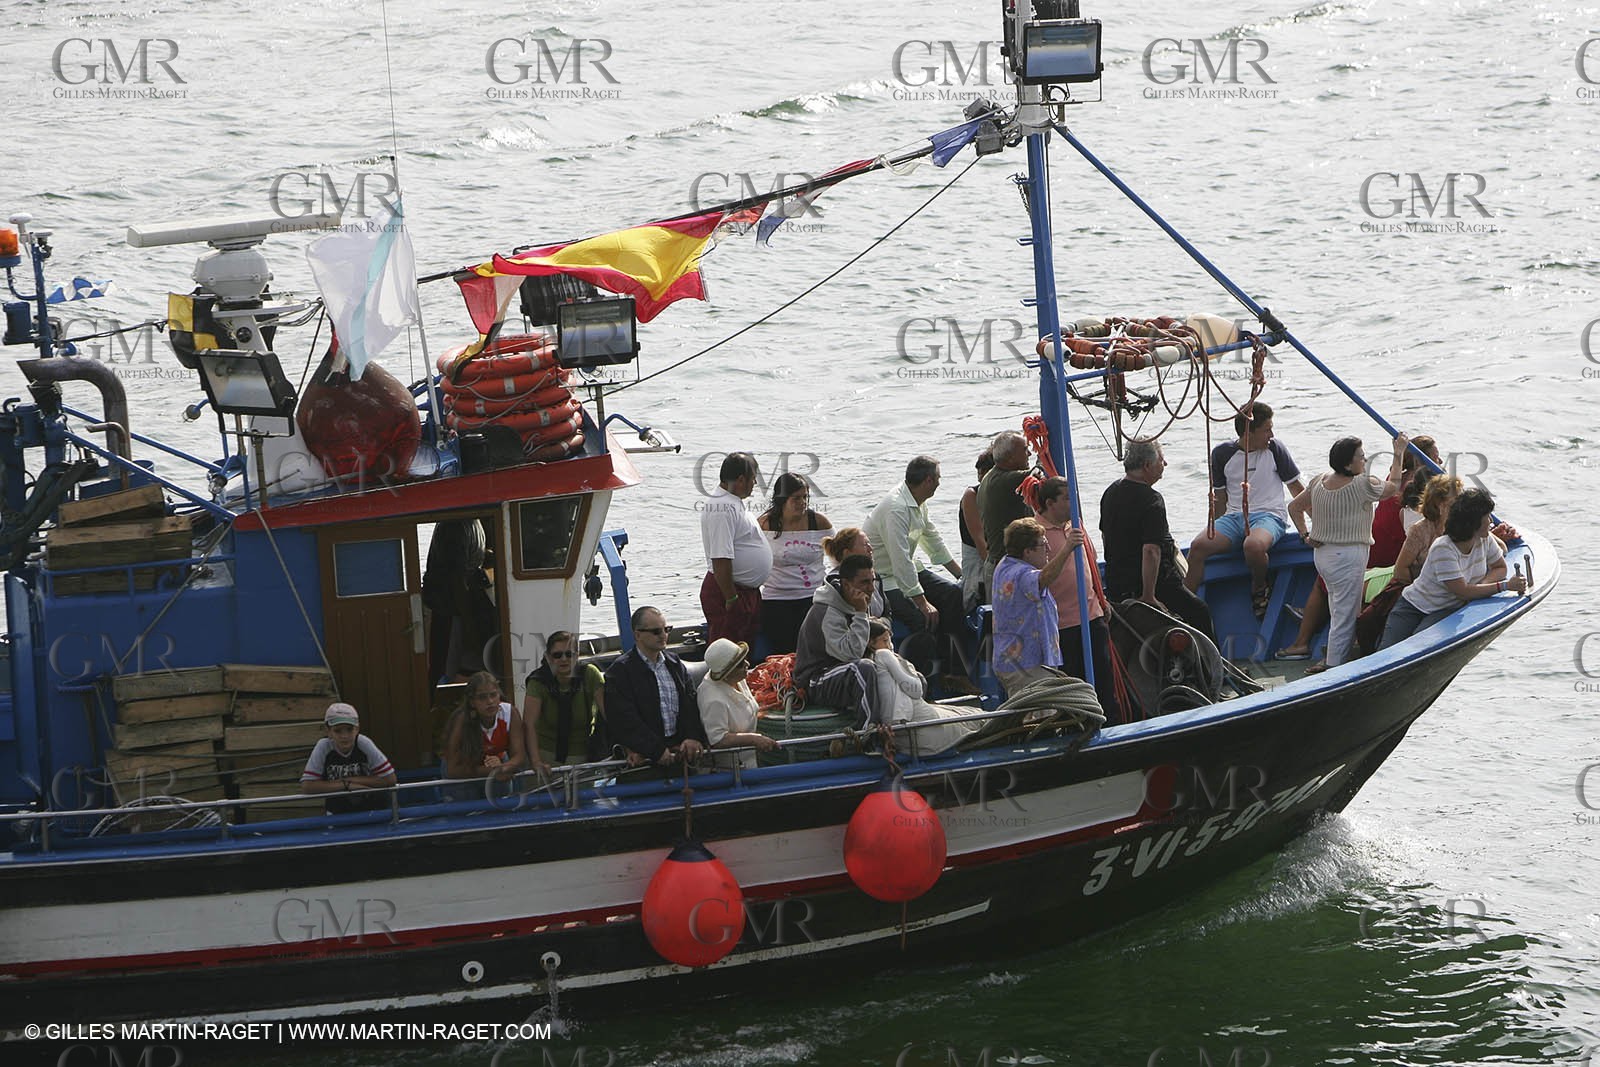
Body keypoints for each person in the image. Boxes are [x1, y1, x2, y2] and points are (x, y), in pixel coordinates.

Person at [1278, 435, 1441, 660]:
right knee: (1344, 618)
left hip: (1323, 555)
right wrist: (1398, 452)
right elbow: (1394, 487)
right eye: (1361, 458)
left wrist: (1306, 534)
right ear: (1348, 463)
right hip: (1348, 556)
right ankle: (1335, 668)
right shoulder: (1363, 485)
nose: (1365, 461)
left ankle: (1329, 657)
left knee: (1339, 609)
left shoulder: (1319, 480)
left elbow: (1295, 507)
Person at [1184, 402, 1306, 618]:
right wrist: (1213, 528)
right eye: (1267, 429)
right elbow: (1220, 497)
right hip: (1234, 517)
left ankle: (1259, 587)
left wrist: (1318, 522)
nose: (1271, 434)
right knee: (1198, 546)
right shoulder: (1222, 454)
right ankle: (1186, 604)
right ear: (1250, 432)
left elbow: (1297, 489)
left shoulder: (1275, 449)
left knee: (1253, 545)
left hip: (1269, 516)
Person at [1100, 437, 1218, 643]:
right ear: (1147, 465)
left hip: (1117, 582)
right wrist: (1149, 596)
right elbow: (1151, 551)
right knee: (1199, 612)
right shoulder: (1151, 499)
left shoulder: (1111, 492)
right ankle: (1216, 671)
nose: (1165, 464)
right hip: (1150, 585)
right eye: (1161, 460)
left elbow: (1105, 536)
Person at [1378, 489, 1525, 649]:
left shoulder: (1485, 539)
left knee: (1419, 646)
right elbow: (1462, 591)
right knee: (1388, 650)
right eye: (1486, 517)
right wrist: (1505, 586)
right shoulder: (1444, 548)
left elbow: (1500, 567)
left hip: (1445, 608)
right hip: (1413, 606)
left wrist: (1481, 585)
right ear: (1473, 522)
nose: (1490, 521)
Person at [864, 455, 967, 682]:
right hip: (886, 578)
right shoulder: (897, 508)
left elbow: (932, 540)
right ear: (929, 480)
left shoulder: (918, 503)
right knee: (922, 620)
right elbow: (900, 559)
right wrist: (922, 603)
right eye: (938, 478)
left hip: (908, 569)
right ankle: (923, 683)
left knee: (952, 595)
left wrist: (960, 574)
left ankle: (954, 672)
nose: (940, 482)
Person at [1035, 476, 1123, 723]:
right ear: (1050, 503)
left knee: (1104, 681)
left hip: (1091, 615)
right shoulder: (1036, 533)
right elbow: (1036, 579)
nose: (1074, 503)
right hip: (1061, 625)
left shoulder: (1076, 525)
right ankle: (1079, 730)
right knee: (1074, 687)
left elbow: (1091, 563)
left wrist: (1101, 598)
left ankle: (1113, 728)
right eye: (1067, 499)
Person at [604, 606, 707, 766]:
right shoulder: (619, 672)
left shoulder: (675, 664)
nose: (663, 635)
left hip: (680, 753)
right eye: (656, 631)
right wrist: (656, 750)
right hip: (643, 760)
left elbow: (690, 704)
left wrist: (692, 737)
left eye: (666, 629)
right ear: (638, 635)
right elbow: (623, 719)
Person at [793, 554, 884, 727]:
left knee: (892, 665)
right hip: (815, 679)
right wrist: (860, 613)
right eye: (864, 582)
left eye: (873, 581)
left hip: (839, 670)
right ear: (846, 584)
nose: (871, 588)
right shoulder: (827, 612)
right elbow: (851, 654)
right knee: (862, 669)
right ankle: (868, 734)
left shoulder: (857, 600)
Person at [867, 618, 976, 756]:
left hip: (904, 738)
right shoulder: (884, 655)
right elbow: (916, 690)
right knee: (972, 719)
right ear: (871, 643)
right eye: (884, 641)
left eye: (890, 640)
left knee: (963, 715)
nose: (890, 646)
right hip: (924, 730)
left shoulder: (870, 663)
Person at [991, 518, 1074, 696]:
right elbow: (1044, 578)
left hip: (1012, 662)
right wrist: (1068, 548)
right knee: (1040, 718)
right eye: (1044, 545)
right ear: (1027, 551)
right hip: (1028, 665)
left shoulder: (1005, 565)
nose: (1049, 550)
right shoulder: (1022, 574)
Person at [700, 452, 773, 646]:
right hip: (729, 591)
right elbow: (721, 558)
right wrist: (731, 597)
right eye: (753, 480)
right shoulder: (722, 507)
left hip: (743, 591)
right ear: (741, 480)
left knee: (742, 650)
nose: (754, 485)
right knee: (729, 652)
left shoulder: (732, 502)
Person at [757, 472, 832, 655]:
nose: (802, 503)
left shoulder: (818, 522)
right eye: (796, 498)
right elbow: (752, 559)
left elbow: (839, 556)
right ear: (782, 499)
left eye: (805, 497)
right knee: (784, 654)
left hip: (813, 598)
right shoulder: (765, 524)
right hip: (776, 600)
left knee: (816, 651)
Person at [422, 518, 496, 692]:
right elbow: (457, 579)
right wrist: (469, 623)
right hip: (445, 609)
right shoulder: (454, 525)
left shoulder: (477, 521)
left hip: (464, 606)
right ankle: (437, 709)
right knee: (442, 667)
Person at [522, 630, 605, 775]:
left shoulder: (590, 675)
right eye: (557, 655)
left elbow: (608, 713)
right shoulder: (538, 682)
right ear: (548, 657)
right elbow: (529, 724)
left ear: (577, 655)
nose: (564, 659)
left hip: (583, 754)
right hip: (545, 755)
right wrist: (536, 762)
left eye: (569, 654)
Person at [697, 638, 780, 770]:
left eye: (745, 658)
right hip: (733, 769)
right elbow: (718, 740)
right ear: (727, 673)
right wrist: (753, 739)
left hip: (752, 759)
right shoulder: (713, 700)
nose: (747, 664)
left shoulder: (737, 679)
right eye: (741, 664)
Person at [300, 702, 396, 814]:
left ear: (357, 729)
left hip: (373, 810)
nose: (344, 736)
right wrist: (347, 785)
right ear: (328, 731)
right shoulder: (323, 746)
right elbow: (307, 786)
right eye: (338, 730)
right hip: (338, 813)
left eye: (349, 729)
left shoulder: (363, 743)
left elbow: (390, 779)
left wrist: (348, 781)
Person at [444, 671, 527, 783]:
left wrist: (502, 768)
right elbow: (452, 770)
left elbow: (519, 756)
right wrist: (492, 771)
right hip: (463, 773)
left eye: (493, 695)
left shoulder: (510, 713)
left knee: (506, 776)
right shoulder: (461, 720)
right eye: (482, 697)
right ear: (472, 702)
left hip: (494, 765)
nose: (490, 701)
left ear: (499, 695)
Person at [977, 432, 1033, 589]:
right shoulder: (1004, 480)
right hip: (1007, 568)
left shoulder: (990, 477)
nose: (1029, 453)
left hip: (1000, 564)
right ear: (1009, 457)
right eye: (1025, 449)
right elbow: (1039, 472)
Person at [958, 450, 995, 610]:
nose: (980, 478)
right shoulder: (971, 495)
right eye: (979, 473)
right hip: (979, 565)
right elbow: (981, 543)